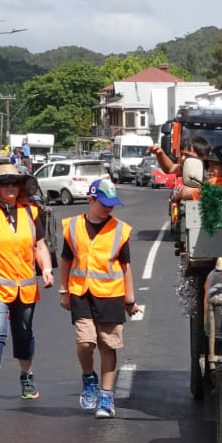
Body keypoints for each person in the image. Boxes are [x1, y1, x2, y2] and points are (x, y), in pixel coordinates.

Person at [0, 164, 55, 409]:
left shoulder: (32, 213)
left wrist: (46, 269)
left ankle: (27, 378)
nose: (11, 187)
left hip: (25, 286)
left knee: (24, 333)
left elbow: (40, 246)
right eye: (5, 184)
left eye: (15, 183)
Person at [59, 178, 140, 418]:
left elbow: (125, 267)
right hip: (81, 293)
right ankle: (88, 378)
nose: (108, 208)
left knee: (107, 346)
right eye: (103, 203)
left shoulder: (119, 229)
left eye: (112, 204)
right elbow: (65, 261)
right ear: (90, 199)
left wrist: (130, 300)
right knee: (85, 343)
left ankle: (106, 397)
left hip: (111, 296)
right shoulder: (72, 227)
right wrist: (64, 291)